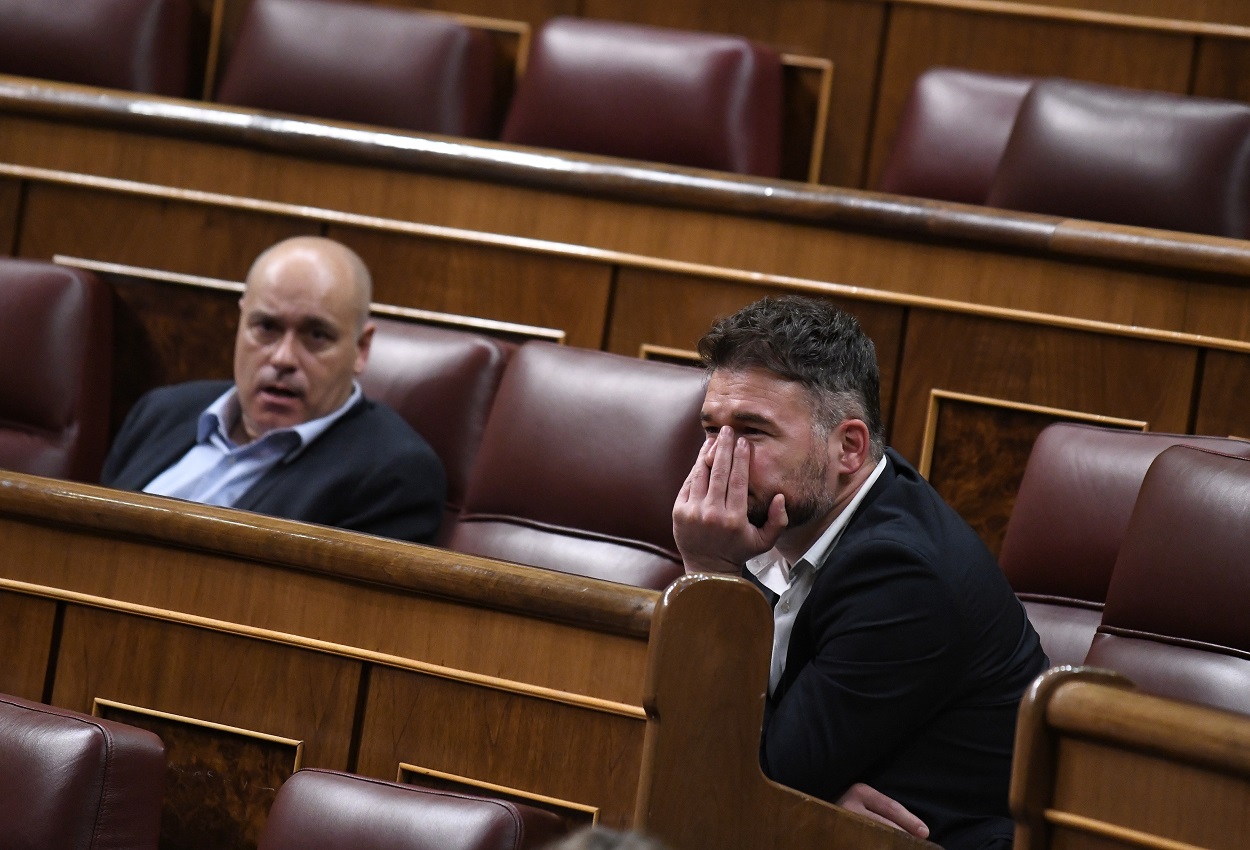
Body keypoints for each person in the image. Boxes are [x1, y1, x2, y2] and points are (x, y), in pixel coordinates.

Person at [672, 295, 1046, 850]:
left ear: (849, 447)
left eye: (750, 431)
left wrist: (711, 573)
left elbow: (753, 774)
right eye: (711, 429)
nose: (716, 459)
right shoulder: (773, 516)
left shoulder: (903, 575)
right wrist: (816, 801)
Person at [102, 236, 445, 544]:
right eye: (266, 327)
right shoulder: (162, 411)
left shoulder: (391, 474)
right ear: (240, 323)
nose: (283, 358)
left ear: (362, 348)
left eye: (316, 335)